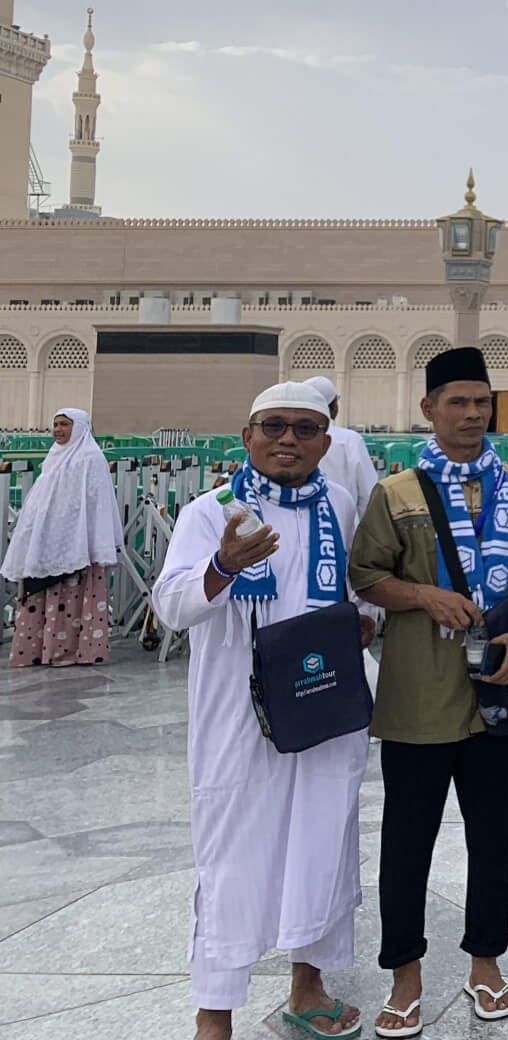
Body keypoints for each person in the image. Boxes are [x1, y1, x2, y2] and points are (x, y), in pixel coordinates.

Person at [153, 382, 373, 1040]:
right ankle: (213, 1012)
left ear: (325, 443)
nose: (288, 439)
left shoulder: (338, 503)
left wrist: (361, 623)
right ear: (247, 437)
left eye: (305, 429)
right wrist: (221, 566)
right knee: (232, 852)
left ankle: (308, 988)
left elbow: (358, 592)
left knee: (324, 839)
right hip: (237, 712)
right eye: (273, 426)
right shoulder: (209, 513)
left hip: (322, 703)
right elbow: (169, 603)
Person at [348, 345, 508, 1037]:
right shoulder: (395, 493)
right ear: (429, 408)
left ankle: (485, 965)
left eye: (481, 402)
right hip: (417, 698)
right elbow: (366, 576)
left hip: (492, 692)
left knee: (494, 837)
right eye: (456, 402)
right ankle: (404, 976)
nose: (471, 414)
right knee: (409, 841)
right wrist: (423, 595)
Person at [3, 407, 117, 669]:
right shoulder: (55, 456)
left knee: (72, 598)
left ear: (79, 427)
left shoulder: (90, 457)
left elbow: (93, 504)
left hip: (78, 546)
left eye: (64, 424)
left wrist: (75, 534)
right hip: (45, 541)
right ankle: (38, 650)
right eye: (55, 425)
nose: (58, 430)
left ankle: (71, 651)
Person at [305, 375, 379, 518]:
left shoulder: (294, 438)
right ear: (333, 407)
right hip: (344, 528)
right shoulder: (350, 440)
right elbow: (368, 496)